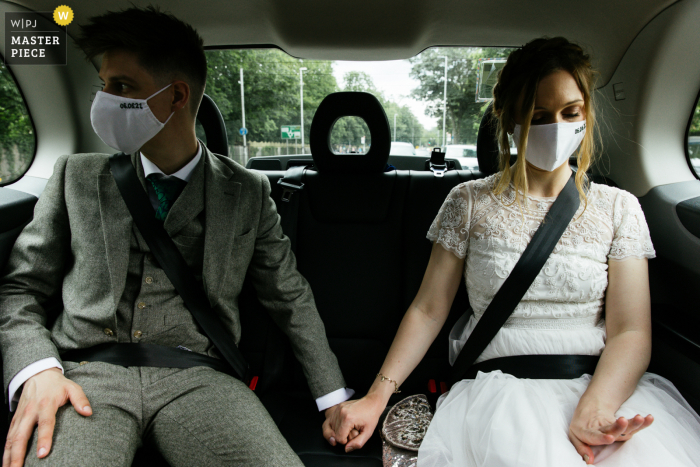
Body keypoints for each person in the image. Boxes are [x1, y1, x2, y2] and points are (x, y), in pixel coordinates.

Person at [0, 6, 353, 467]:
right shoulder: (74, 176)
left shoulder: (247, 191)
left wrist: (334, 398)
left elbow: (289, 296)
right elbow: (21, 288)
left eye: (121, 87)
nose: (104, 100)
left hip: (200, 378)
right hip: (84, 375)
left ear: (177, 96)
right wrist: (38, 371)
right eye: (102, 85)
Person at [322, 37, 700, 466]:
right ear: (511, 121)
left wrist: (595, 408)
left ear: (586, 115)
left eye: (570, 113)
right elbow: (429, 310)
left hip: (600, 389)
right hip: (498, 394)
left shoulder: (619, 208)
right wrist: (375, 397)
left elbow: (631, 331)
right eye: (539, 116)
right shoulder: (467, 202)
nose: (556, 127)